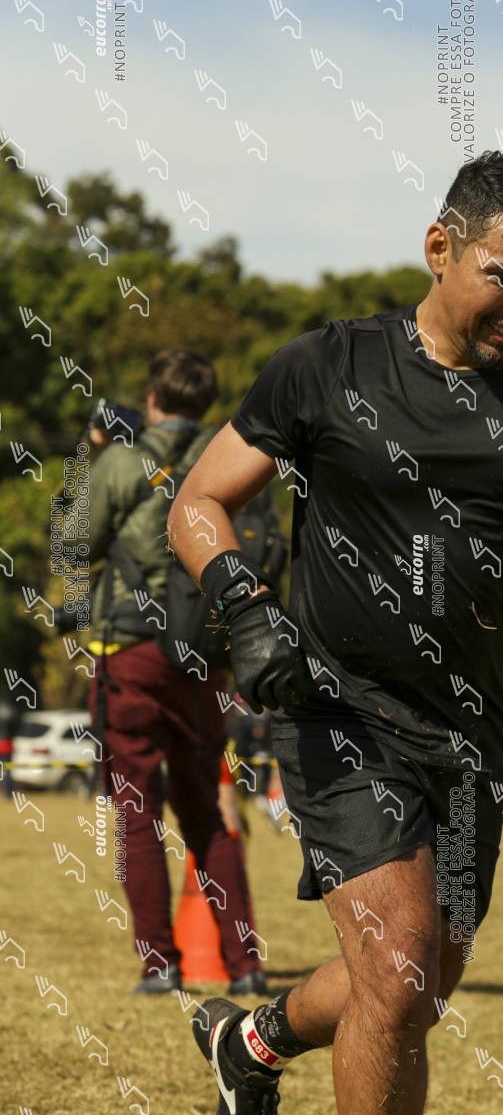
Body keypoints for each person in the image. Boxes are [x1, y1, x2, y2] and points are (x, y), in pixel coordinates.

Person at [168, 149, 503, 1114]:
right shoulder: (326, 367)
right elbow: (198, 501)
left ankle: (250, 1041)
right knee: (397, 970)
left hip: (470, 729)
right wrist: (247, 609)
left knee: (419, 984)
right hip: (338, 709)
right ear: (441, 248)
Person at [83, 348, 267, 995]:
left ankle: (160, 963)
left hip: (130, 651)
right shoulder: (228, 456)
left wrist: (92, 453)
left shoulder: (122, 461)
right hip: (204, 656)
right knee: (205, 812)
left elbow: (72, 543)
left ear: (153, 397)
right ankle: (245, 966)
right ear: (207, 402)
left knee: (137, 809)